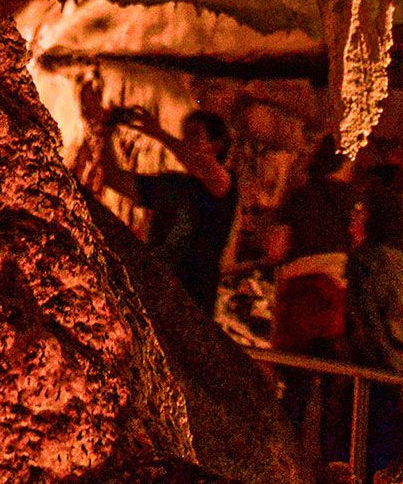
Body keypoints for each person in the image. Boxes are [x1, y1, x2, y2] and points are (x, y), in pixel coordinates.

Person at [86, 98, 241, 316]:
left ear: (217, 146)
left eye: (195, 135)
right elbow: (114, 178)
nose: (186, 140)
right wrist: (106, 134)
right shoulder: (174, 185)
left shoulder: (224, 186)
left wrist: (156, 132)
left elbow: (198, 161)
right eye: (184, 133)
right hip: (156, 290)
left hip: (194, 297)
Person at [347, 174, 403, 477]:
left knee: (357, 462)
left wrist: (396, 382)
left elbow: (368, 325)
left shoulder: (363, 261)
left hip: (374, 381)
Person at [268, 142, 361, 359]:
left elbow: (276, 249)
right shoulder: (356, 201)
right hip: (334, 289)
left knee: (291, 366)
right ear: (346, 163)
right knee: (328, 365)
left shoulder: (298, 195)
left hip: (294, 289)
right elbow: (358, 246)